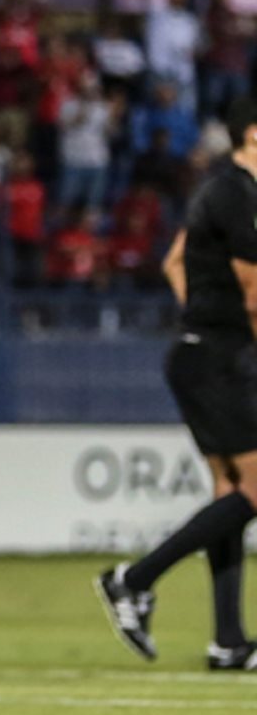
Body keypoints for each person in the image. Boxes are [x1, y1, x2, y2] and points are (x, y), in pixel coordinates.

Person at [97, 97, 257, 671]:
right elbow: (253, 290)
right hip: (219, 359)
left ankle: (229, 642)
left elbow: (175, 262)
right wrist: (222, 324)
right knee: (252, 489)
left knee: (230, 491)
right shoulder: (238, 194)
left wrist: (204, 315)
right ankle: (133, 579)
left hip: (208, 351)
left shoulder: (220, 191)